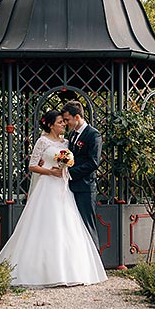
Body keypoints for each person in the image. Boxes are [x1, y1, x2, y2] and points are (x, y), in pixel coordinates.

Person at [0, 110, 107, 287]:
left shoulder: (67, 141)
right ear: (50, 125)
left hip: (64, 188)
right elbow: (32, 165)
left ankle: (71, 270)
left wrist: (65, 170)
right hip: (47, 185)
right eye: (60, 122)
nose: (63, 124)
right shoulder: (43, 141)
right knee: (44, 225)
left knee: (67, 226)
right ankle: (39, 269)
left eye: (65, 122)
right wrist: (49, 171)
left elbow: (77, 161)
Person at [61, 100, 102, 249]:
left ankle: (95, 263)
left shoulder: (93, 135)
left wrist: (70, 173)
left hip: (85, 187)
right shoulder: (72, 135)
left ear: (77, 117)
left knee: (87, 225)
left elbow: (93, 162)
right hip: (71, 187)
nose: (66, 123)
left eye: (67, 119)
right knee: (75, 228)